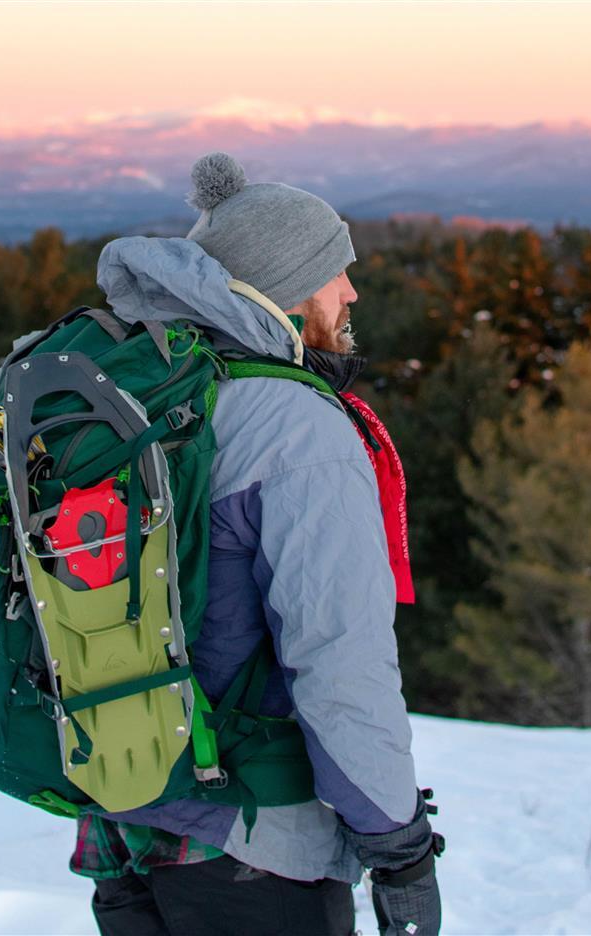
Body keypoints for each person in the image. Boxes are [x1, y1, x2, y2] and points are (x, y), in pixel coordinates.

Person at [70, 152, 443, 936]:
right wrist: (399, 845)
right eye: (336, 272)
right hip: (251, 842)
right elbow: (338, 661)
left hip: (122, 818)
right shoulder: (295, 429)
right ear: (287, 287)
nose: (350, 292)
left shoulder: (147, 395)